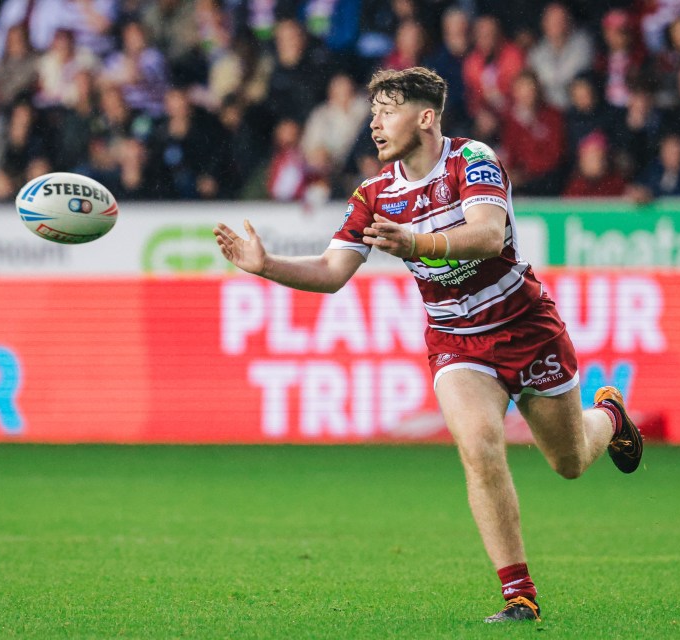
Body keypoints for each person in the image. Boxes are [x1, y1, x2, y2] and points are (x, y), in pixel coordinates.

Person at [213, 66, 643, 623]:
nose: (374, 124)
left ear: (425, 117)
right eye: (372, 113)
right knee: (479, 445)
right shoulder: (373, 193)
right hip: (456, 342)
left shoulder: (473, 160)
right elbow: (331, 270)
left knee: (569, 462)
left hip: (527, 327)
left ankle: (608, 416)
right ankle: (519, 596)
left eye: (386, 110)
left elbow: (489, 235)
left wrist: (415, 241)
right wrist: (266, 265)